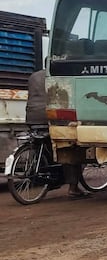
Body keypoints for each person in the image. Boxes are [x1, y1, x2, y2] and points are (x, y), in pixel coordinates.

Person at [26, 69, 88, 198]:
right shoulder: (59, 75)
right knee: (68, 147)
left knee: (42, 144)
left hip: (31, 117)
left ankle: (48, 176)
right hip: (50, 116)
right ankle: (73, 188)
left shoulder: (34, 76)